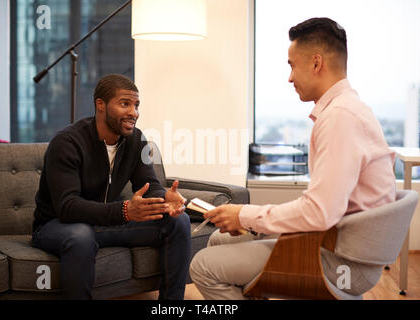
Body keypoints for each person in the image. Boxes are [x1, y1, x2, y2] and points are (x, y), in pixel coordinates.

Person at [189, 17, 396, 299]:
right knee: (218, 238)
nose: (289, 77)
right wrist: (247, 220)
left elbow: (319, 213)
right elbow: (322, 207)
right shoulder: (347, 109)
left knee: (202, 266)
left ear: (316, 63)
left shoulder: (340, 118)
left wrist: (246, 215)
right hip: (339, 241)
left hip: (343, 262)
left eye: (291, 65)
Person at [32, 74, 191, 300]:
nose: (133, 113)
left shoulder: (137, 140)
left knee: (178, 221)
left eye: (136, 105)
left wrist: (165, 198)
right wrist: (125, 211)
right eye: (125, 104)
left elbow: (150, 185)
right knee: (81, 235)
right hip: (56, 225)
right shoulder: (67, 143)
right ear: (101, 105)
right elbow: (67, 207)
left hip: (105, 223)